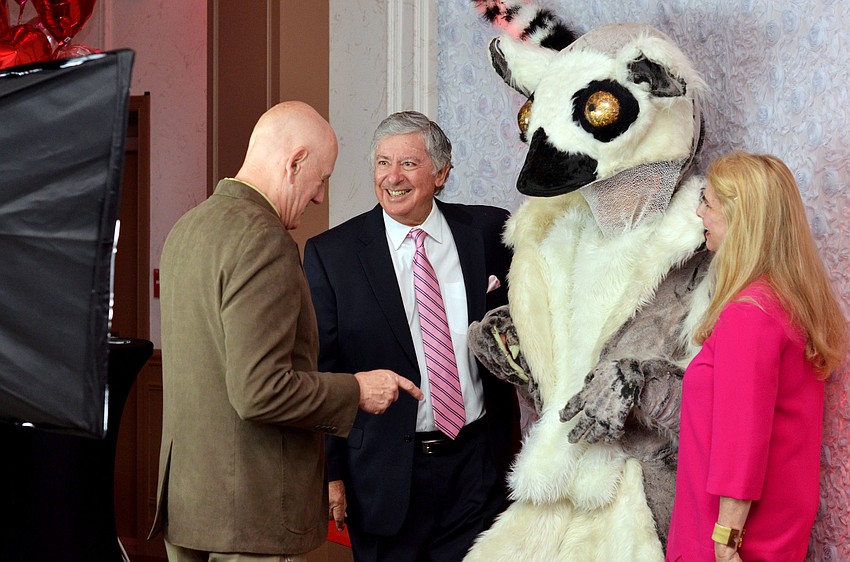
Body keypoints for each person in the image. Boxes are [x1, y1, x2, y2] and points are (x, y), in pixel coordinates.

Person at [149, 101, 423, 562]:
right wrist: (356, 390)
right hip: (249, 517)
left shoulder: (188, 227)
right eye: (322, 179)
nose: (320, 198)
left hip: (190, 507)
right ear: (295, 163)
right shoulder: (263, 238)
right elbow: (260, 391)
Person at [303, 111, 518, 561]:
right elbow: (324, 368)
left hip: (477, 467)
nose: (392, 177)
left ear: (441, 174)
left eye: (408, 163)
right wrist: (330, 472)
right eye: (383, 163)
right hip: (382, 478)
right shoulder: (333, 255)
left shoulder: (488, 233)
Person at [665, 151, 848, 562]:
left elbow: (740, 441)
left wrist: (726, 540)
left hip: (729, 539)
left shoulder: (750, 314)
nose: (699, 212)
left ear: (740, 220)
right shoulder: (787, 302)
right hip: (773, 532)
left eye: (708, 202)